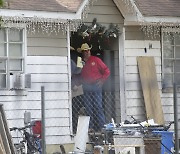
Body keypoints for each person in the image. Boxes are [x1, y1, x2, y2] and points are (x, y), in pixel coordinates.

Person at [79, 43, 110, 131]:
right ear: (82, 52)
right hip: (86, 85)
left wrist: (102, 81)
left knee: (97, 106)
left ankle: (101, 126)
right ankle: (91, 127)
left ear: (90, 51)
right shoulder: (80, 62)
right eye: (84, 51)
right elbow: (78, 73)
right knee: (88, 107)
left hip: (96, 85)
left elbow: (106, 71)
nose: (86, 52)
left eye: (88, 50)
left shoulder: (96, 60)